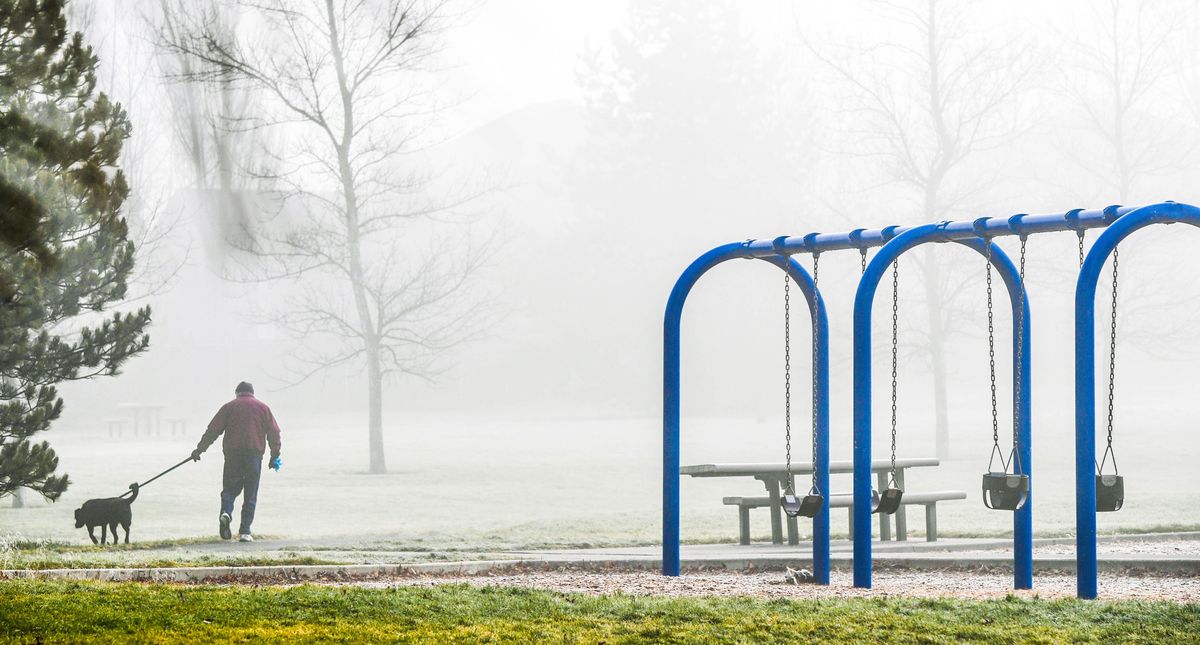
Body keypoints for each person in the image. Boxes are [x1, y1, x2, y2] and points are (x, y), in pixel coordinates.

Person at [191, 381, 282, 542]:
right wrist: (274, 455)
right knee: (250, 493)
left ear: (237, 393)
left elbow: (213, 430)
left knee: (229, 490)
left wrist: (200, 449)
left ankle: (226, 512)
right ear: (252, 393)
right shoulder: (263, 408)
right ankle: (245, 531)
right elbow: (274, 432)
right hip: (254, 455)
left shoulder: (229, 407)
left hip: (233, 455)